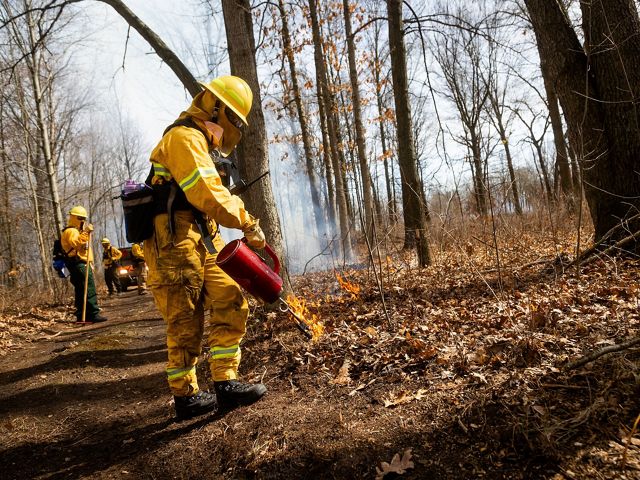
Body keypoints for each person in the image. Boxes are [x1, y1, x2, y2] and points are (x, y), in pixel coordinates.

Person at [145, 75, 267, 420]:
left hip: (203, 237)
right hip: (173, 241)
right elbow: (208, 193)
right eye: (233, 120)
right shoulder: (183, 138)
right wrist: (247, 221)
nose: (230, 130)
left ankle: (226, 383)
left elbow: (209, 195)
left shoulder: (199, 141)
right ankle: (185, 396)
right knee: (186, 320)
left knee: (231, 295)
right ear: (216, 108)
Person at [61, 206, 107, 323]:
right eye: (81, 218)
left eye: (84, 218)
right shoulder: (71, 231)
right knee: (88, 288)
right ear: (75, 218)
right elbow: (76, 243)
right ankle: (93, 314)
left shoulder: (77, 231)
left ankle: (82, 315)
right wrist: (86, 232)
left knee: (81, 290)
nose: (83, 221)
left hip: (79, 263)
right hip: (78, 264)